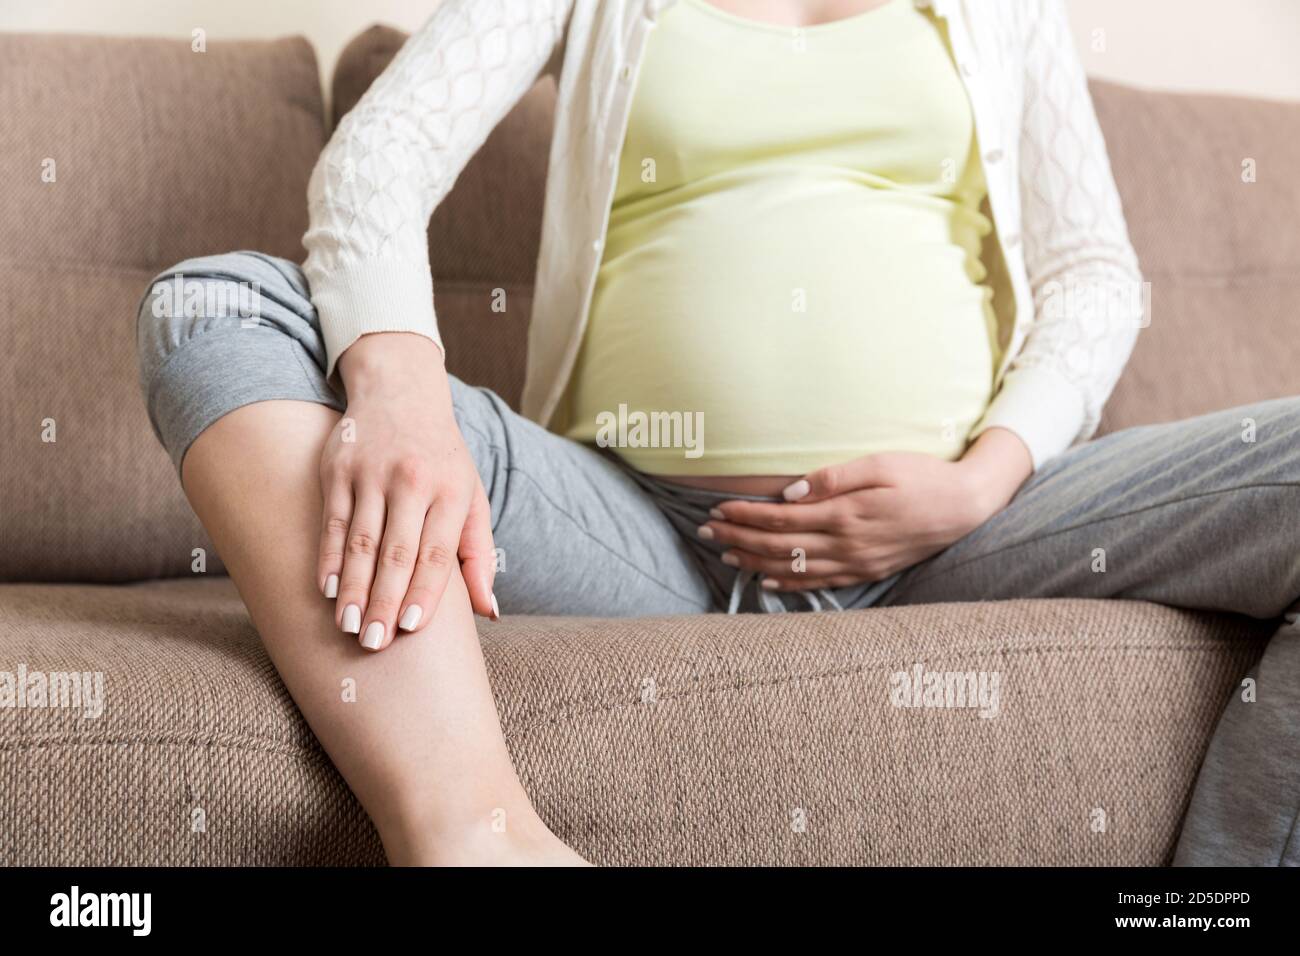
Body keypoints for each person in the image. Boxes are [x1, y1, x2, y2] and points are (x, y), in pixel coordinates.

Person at [136, 0, 1300, 866]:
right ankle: (475, 835)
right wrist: (399, 397)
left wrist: (981, 478)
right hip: (636, 529)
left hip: (963, 536)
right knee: (212, 304)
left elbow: (1094, 274)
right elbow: (381, 159)